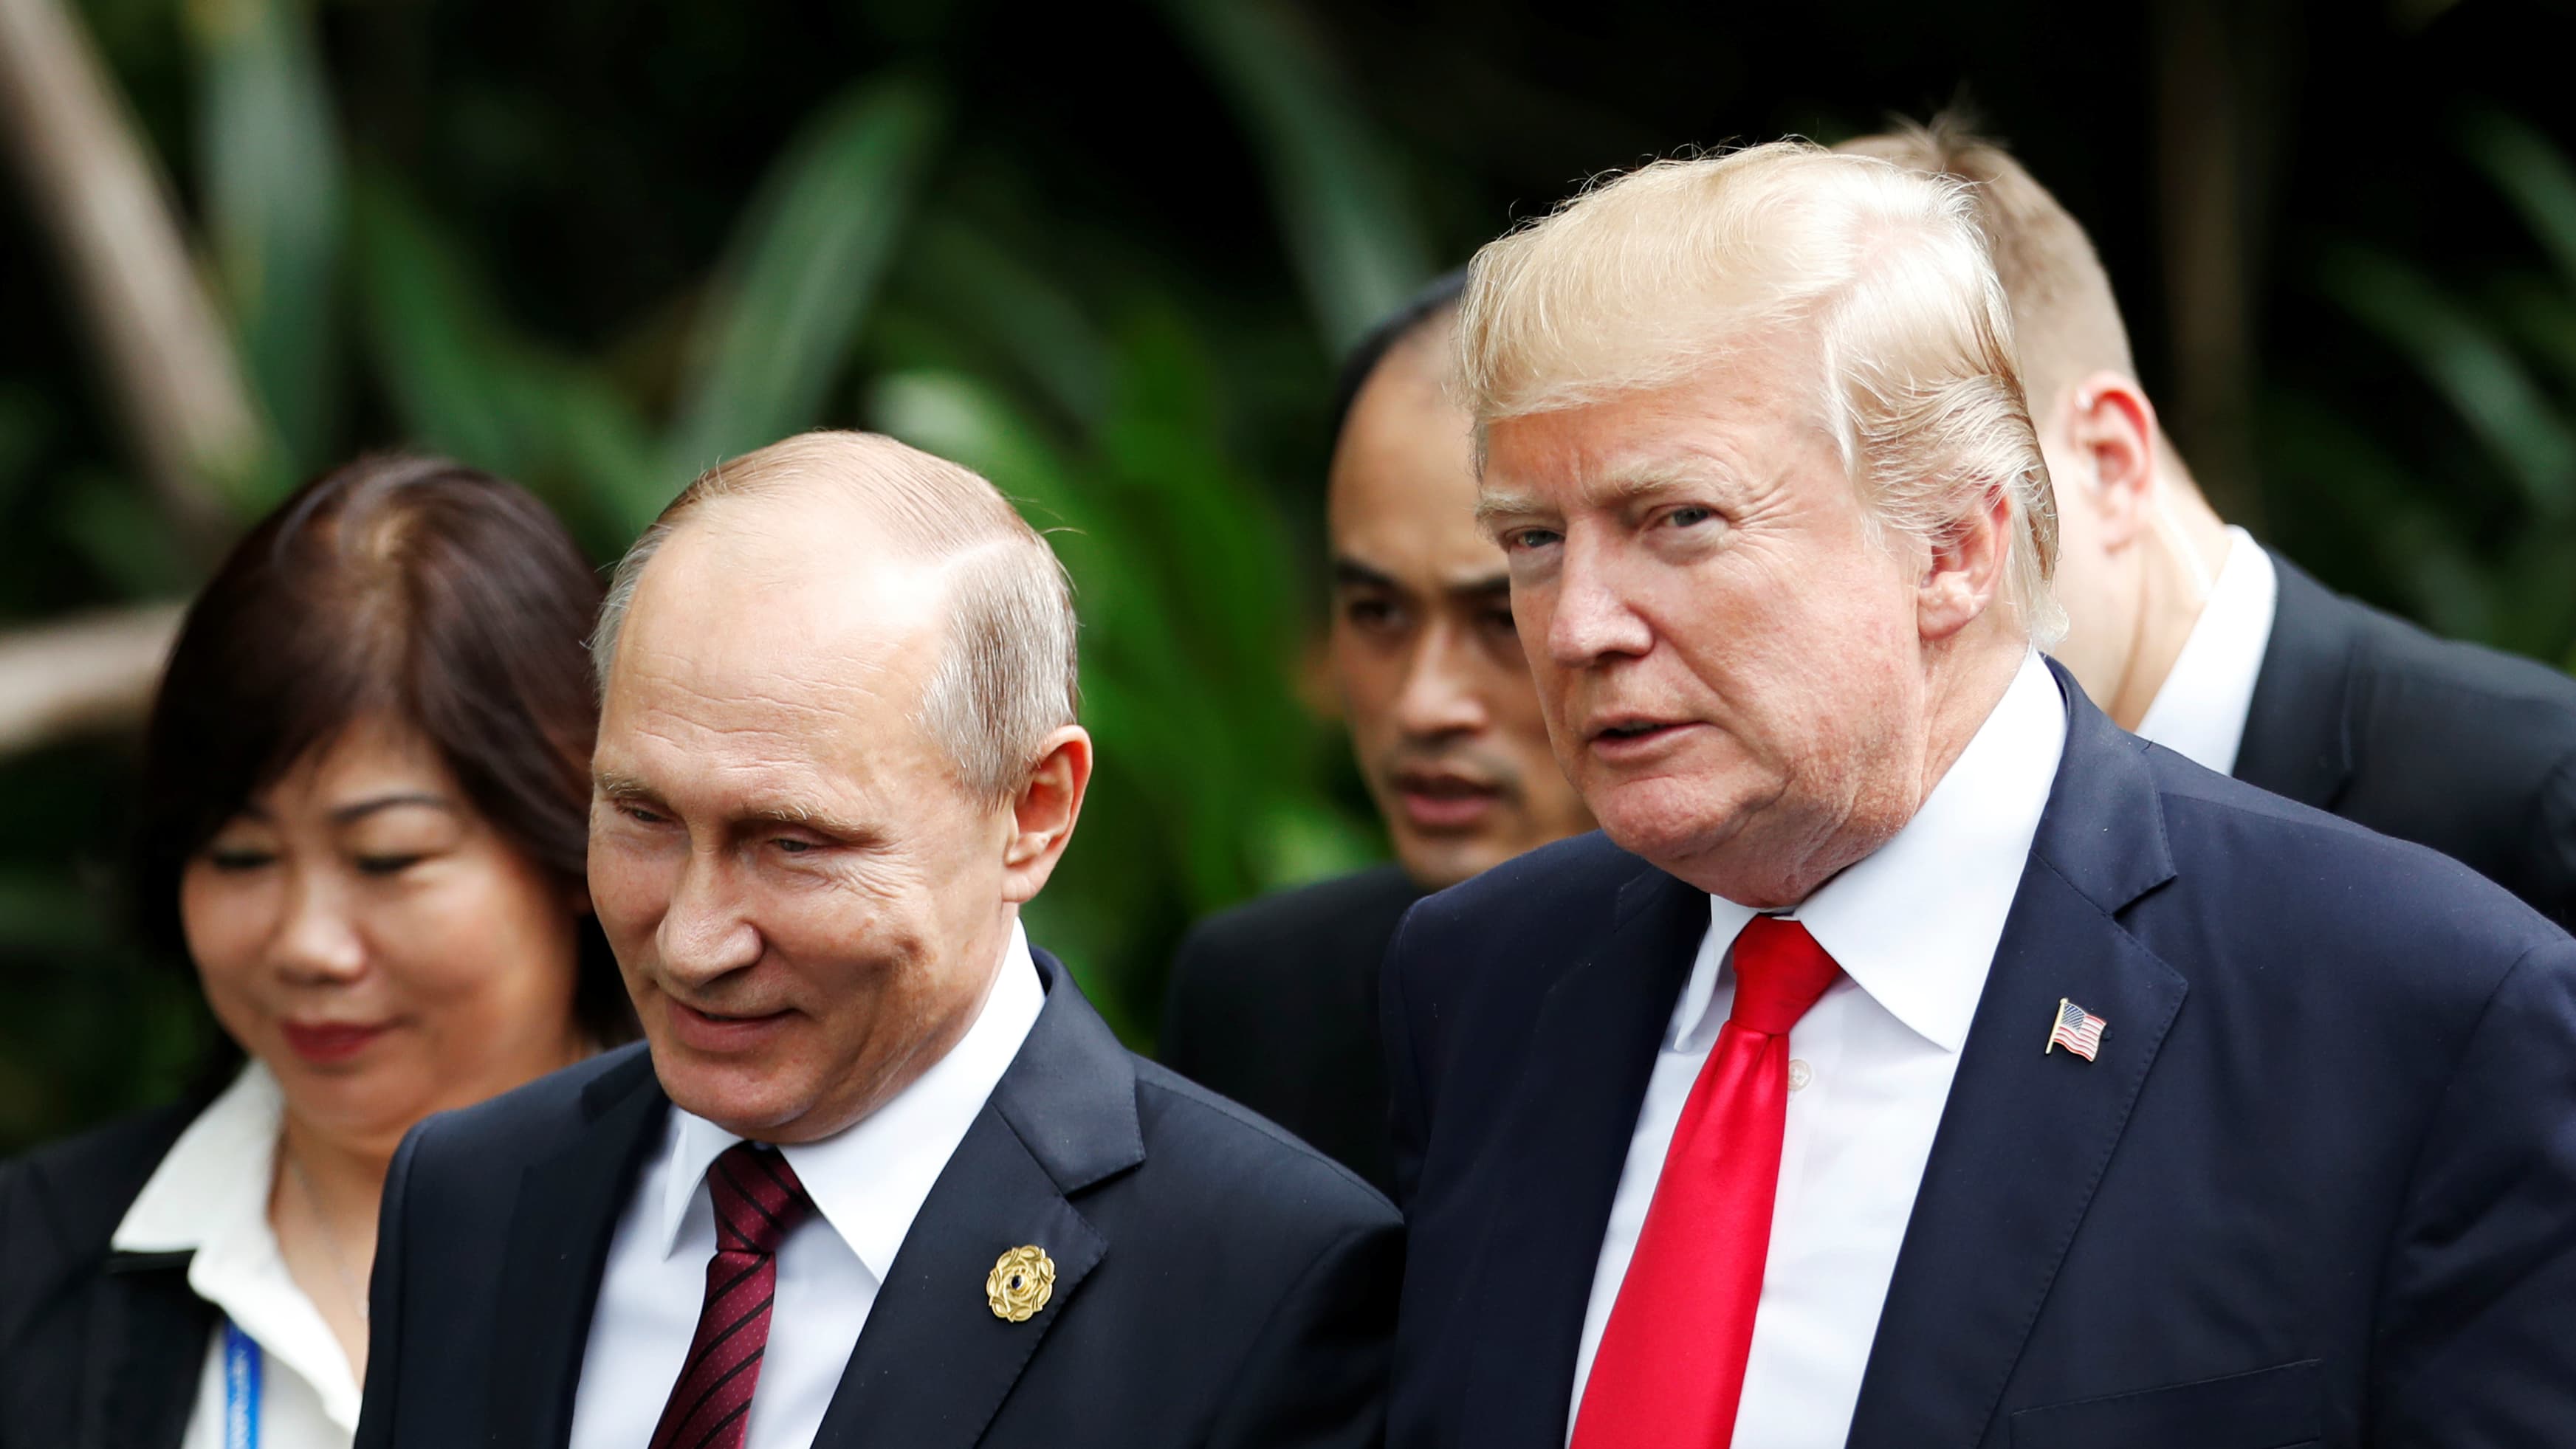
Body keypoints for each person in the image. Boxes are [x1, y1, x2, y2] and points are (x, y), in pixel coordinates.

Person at [1383, 142, 2576, 1449]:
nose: (1574, 628)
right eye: (1534, 542)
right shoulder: (1484, 977)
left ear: (1953, 544)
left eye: (1676, 519)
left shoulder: (2414, 1010)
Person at [353, 431, 1398, 1449]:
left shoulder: (1259, 1278)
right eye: (643, 815)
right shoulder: (471, 1193)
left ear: (1033, 812)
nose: (692, 938)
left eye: (793, 842)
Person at [0, 456, 629, 1449]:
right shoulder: (32, 1265)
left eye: (387, 857)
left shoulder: (750, 1244)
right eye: (240, 855)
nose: (305, 943)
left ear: (578, 840)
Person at [1839, 116, 2576, 929]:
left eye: (1940, 520)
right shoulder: (1894, 841)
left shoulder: (2530, 794)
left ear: (2109, 460)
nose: (1876, 604)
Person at [1161, 273, 1593, 1191]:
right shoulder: (1262, 998)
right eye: (1376, 610)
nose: (1425, 703)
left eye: (1499, 618)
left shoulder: (1772, 1014)